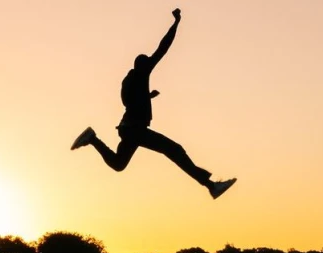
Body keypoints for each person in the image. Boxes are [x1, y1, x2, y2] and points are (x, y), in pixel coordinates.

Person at [71, 8, 236, 199]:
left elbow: (127, 101)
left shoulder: (130, 79)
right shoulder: (142, 72)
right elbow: (162, 48)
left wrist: (147, 96)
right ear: (142, 65)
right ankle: (211, 186)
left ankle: (92, 139)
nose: (151, 62)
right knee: (174, 149)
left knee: (118, 164)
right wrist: (176, 23)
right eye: (147, 62)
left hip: (128, 128)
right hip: (134, 129)